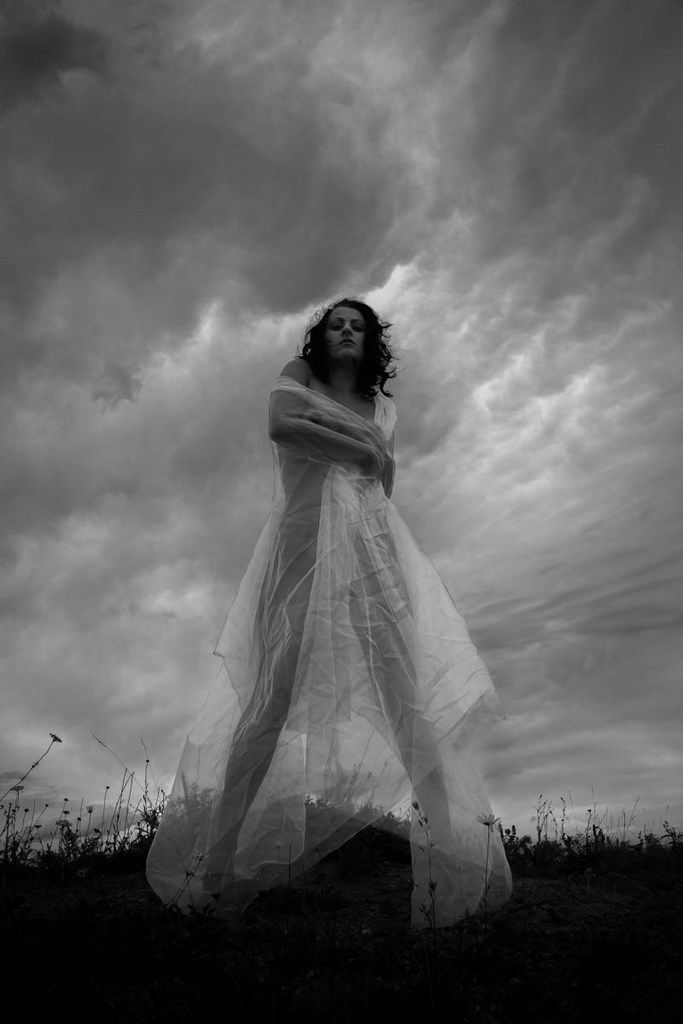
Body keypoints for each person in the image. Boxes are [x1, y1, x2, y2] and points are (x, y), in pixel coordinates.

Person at [145, 298, 513, 929]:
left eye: (359, 327)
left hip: (372, 560)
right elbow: (283, 425)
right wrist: (363, 448)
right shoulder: (298, 377)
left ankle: (455, 860)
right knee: (269, 705)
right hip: (299, 554)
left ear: (372, 345)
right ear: (321, 337)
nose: (347, 332)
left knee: (408, 706)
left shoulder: (385, 410)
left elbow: (382, 487)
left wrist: (371, 452)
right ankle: (212, 873)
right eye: (337, 324)